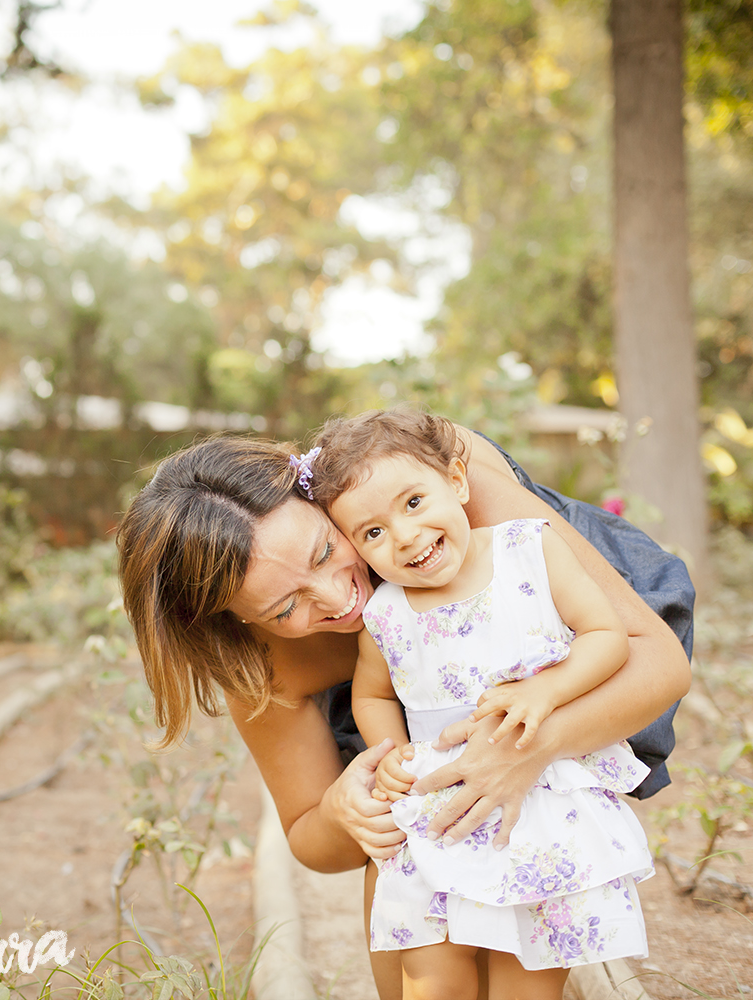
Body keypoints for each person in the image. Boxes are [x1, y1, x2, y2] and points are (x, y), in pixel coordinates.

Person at [115, 423, 691, 1000]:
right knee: (406, 856)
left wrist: (527, 748)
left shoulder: (418, 494)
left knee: (526, 928)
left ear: (316, 495)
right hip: (414, 706)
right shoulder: (260, 665)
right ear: (235, 616)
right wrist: (345, 813)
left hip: (563, 662)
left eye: (324, 551)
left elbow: (656, 665)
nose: (341, 600)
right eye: (287, 604)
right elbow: (309, 835)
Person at [306, 410, 654, 1000]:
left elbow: (606, 635)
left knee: (530, 978)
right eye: (373, 533)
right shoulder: (385, 614)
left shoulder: (529, 553)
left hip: (538, 813)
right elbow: (372, 692)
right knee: (431, 977)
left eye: (413, 503)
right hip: (442, 810)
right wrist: (391, 752)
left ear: (458, 483)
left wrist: (548, 689)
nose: (405, 536)